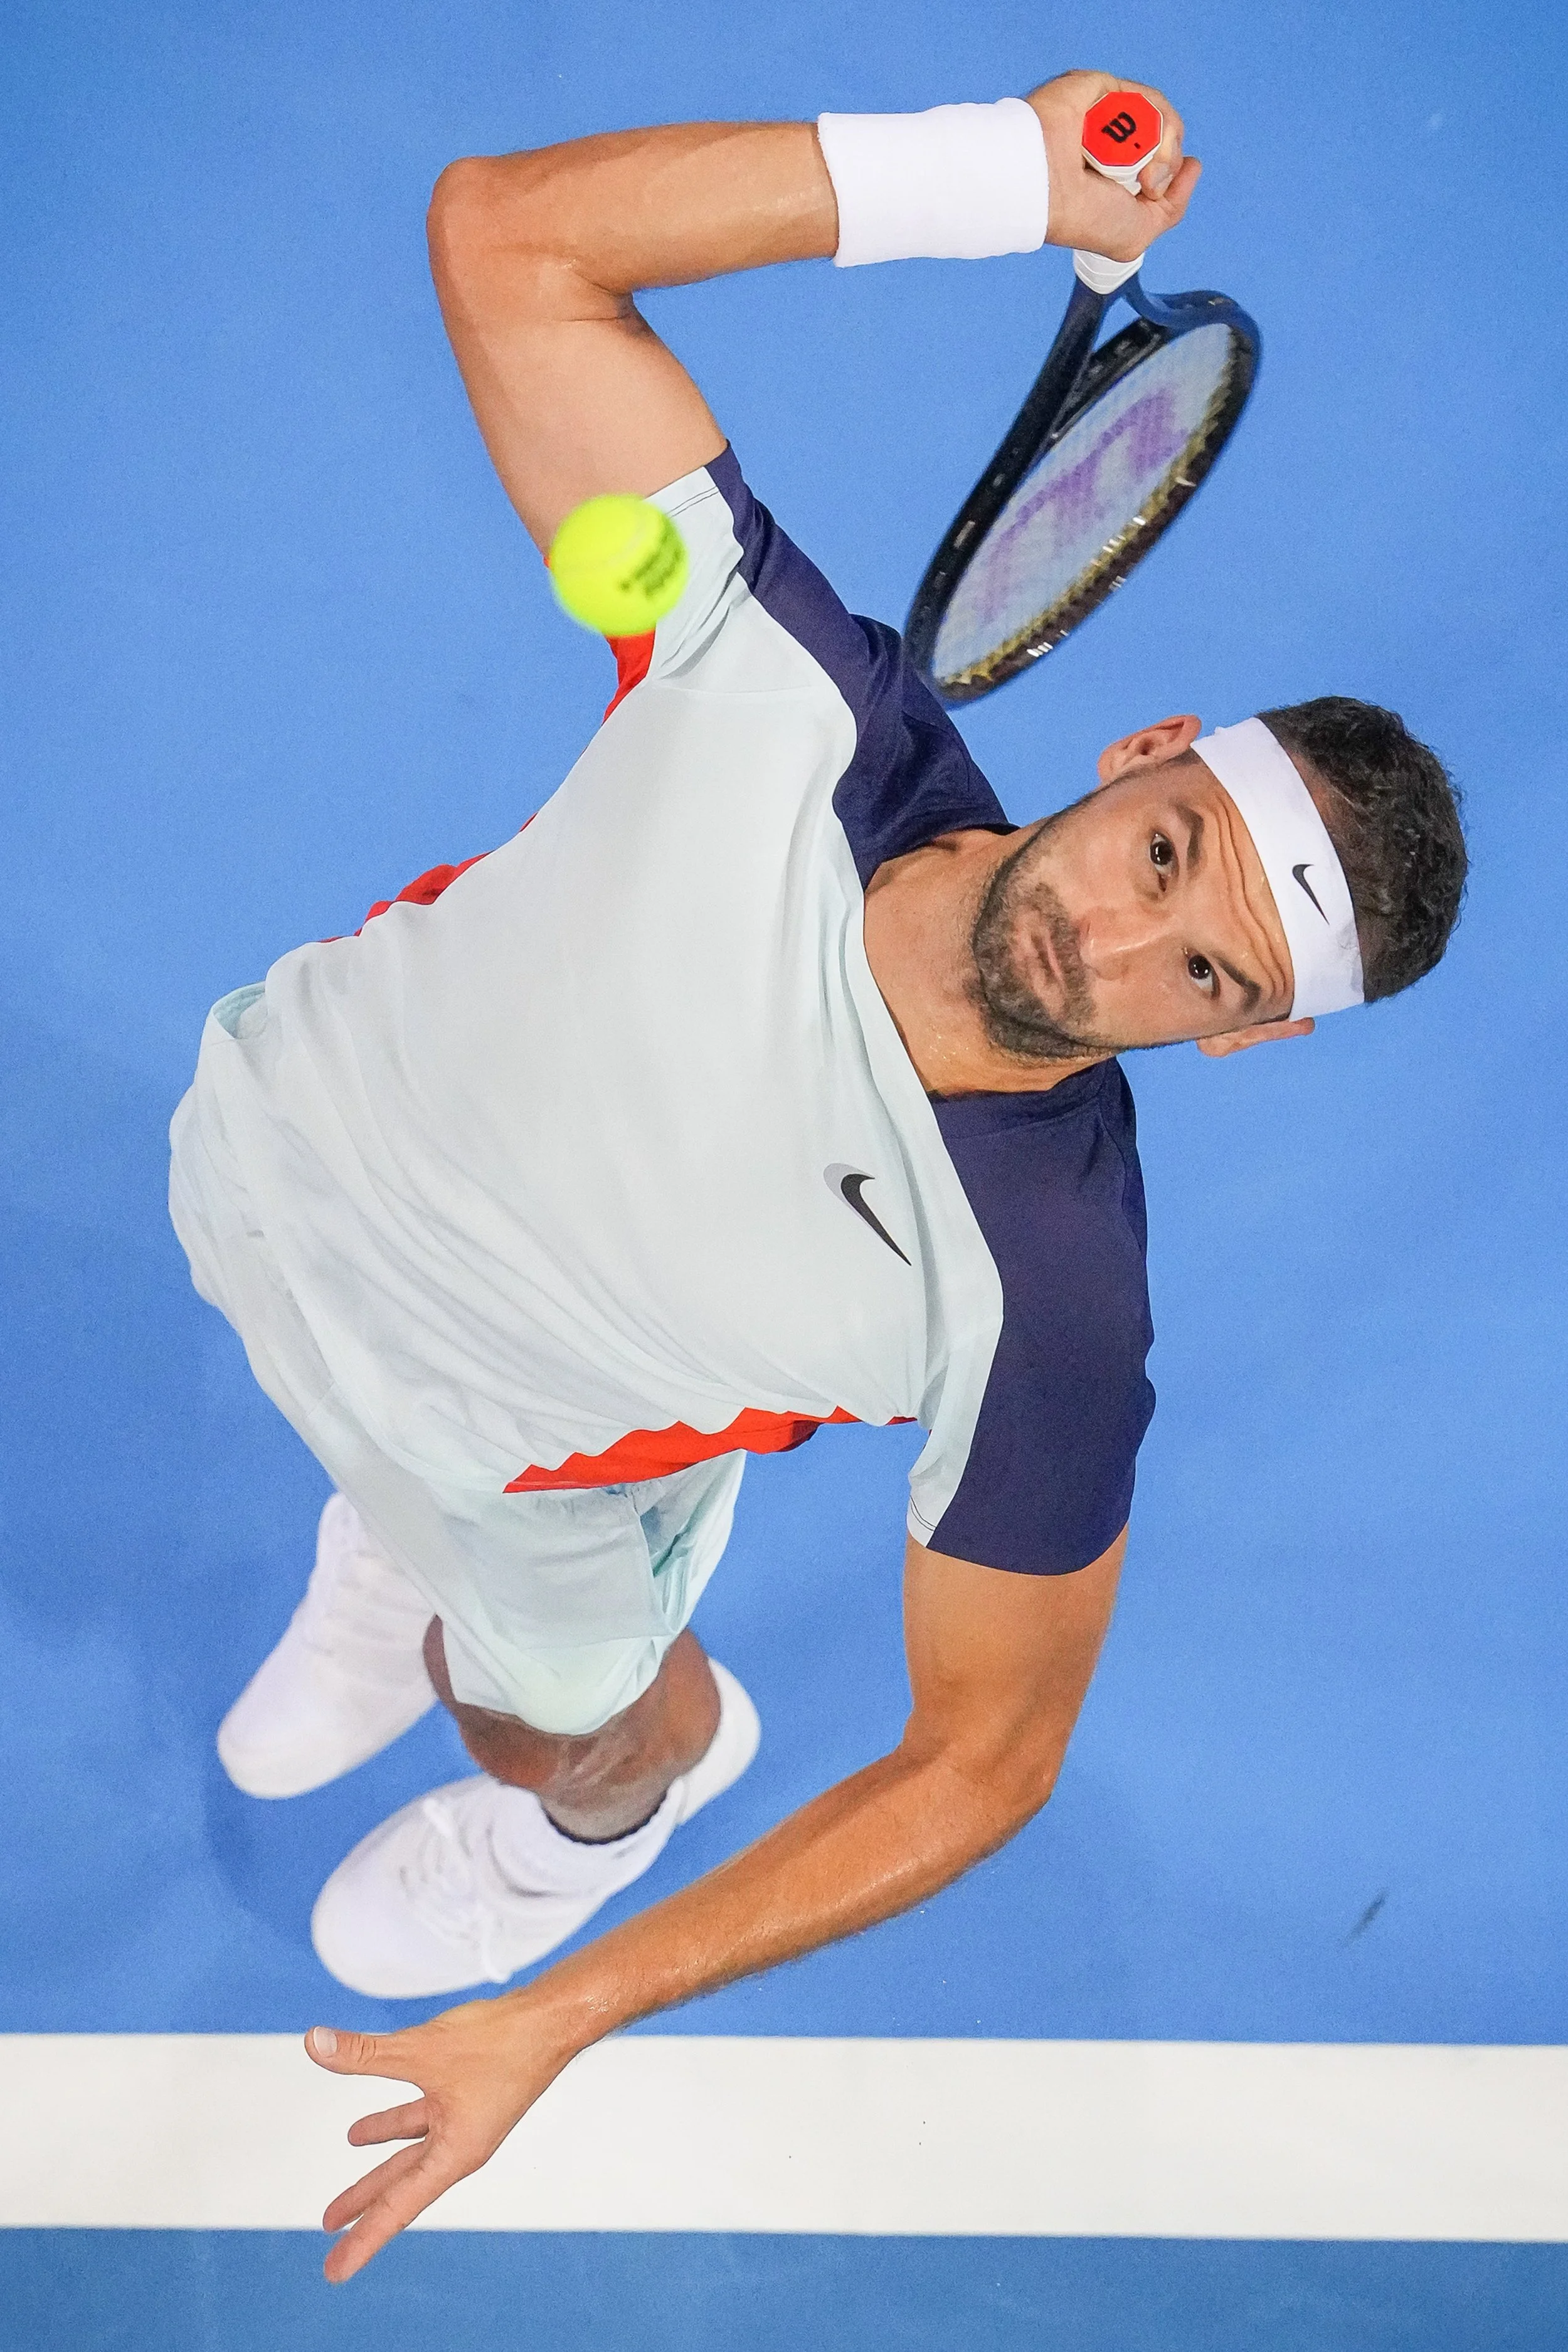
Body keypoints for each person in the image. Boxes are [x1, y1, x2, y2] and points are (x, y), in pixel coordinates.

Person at [167, 69, 1468, 2279]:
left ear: (1239, 1030)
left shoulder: (1048, 1302)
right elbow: (505, 240)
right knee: (335, 1410)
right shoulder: (754, 675)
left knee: (539, 1705)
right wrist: (992, 171)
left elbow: (983, 1761)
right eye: (1166, 852)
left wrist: (567, 2005)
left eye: (1207, 964)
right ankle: (376, 1533)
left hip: (518, 1470)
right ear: (1145, 753)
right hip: (277, 1153)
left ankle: (613, 1784)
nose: (1117, 936)